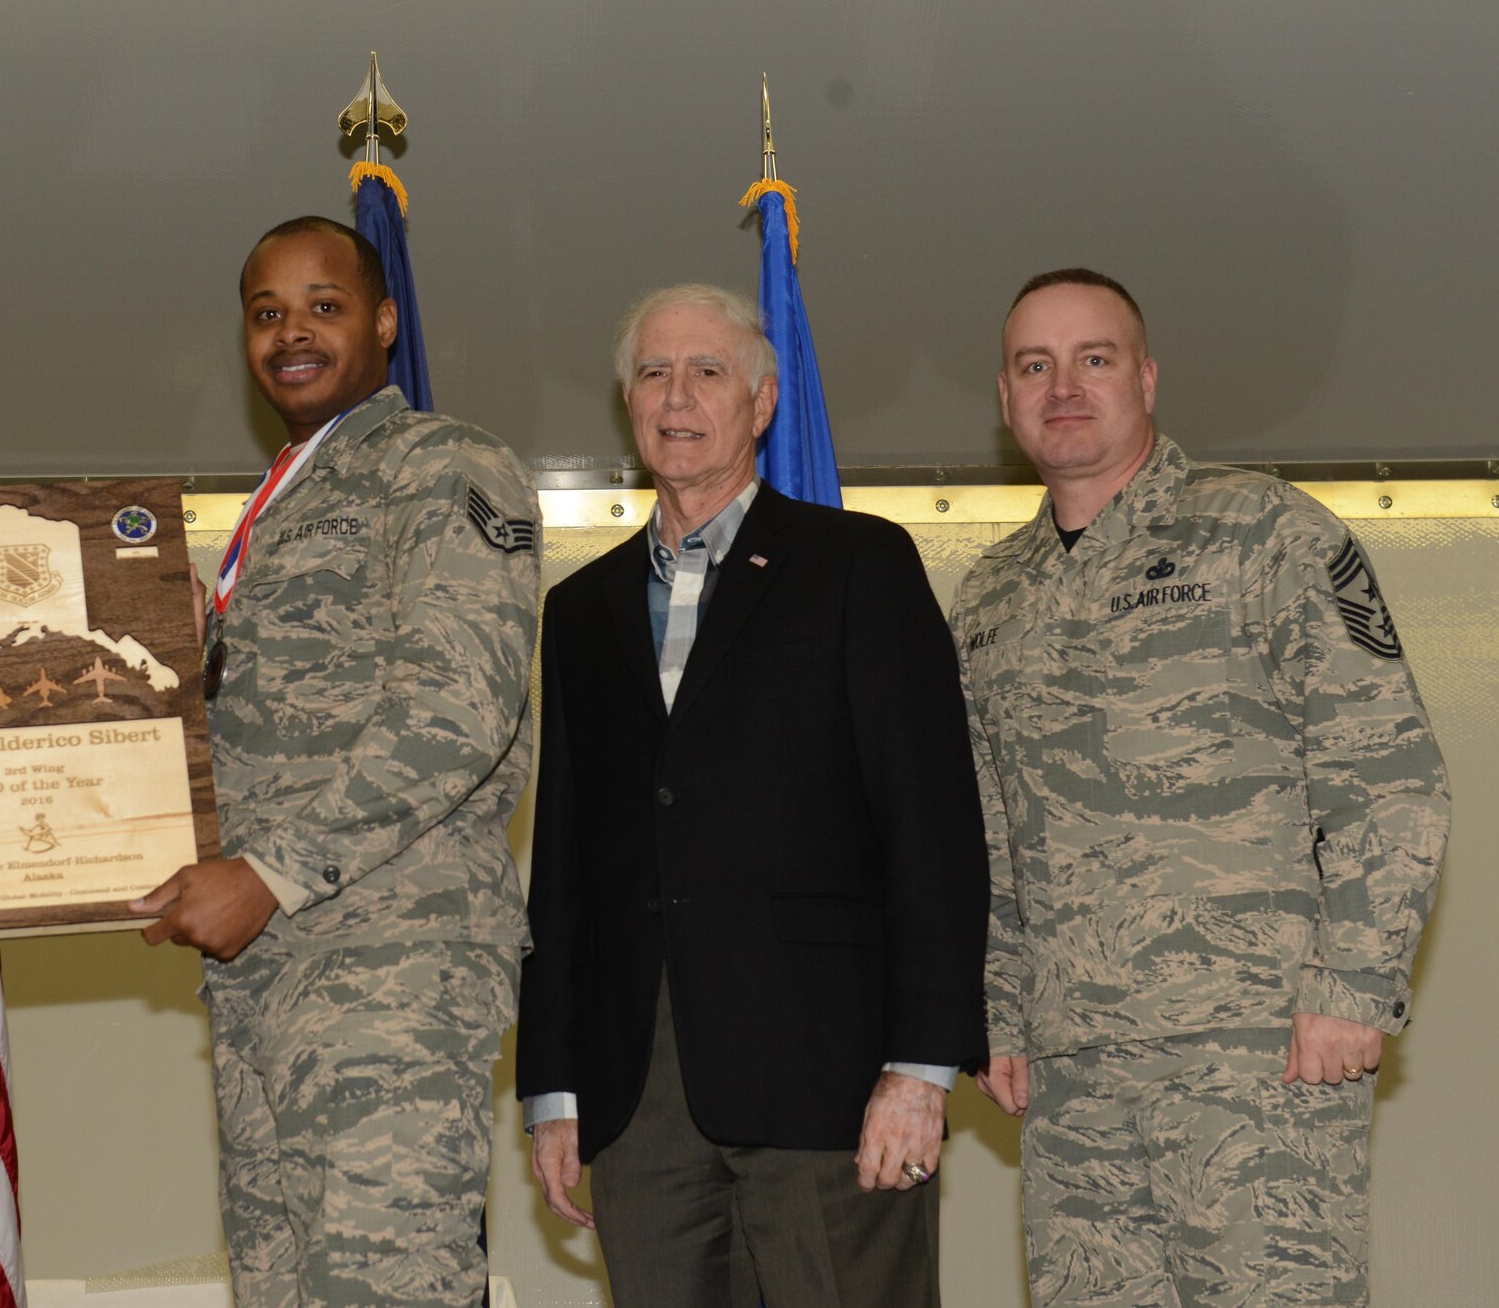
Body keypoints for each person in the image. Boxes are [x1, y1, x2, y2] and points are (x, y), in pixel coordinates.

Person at [956, 268, 1450, 1307]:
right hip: (1074, 1067)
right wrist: (1000, 1014)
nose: (1062, 387)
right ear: (1002, 398)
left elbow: (1386, 771)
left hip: (1255, 1048)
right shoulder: (990, 595)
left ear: (1143, 376)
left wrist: (1352, 988)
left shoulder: (1261, 532)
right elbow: (988, 830)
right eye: (1032, 365)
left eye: (1092, 359)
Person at [514, 283, 990, 1308]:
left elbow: (933, 829)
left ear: (763, 402)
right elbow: (561, 862)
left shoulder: (856, 563)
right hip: (635, 1094)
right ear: (627, 403)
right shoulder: (578, 608)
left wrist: (920, 1067)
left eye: (706, 371)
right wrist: (552, 1086)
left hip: (828, 1075)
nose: (675, 396)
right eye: (652, 372)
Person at [130, 216, 541, 1308]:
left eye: (324, 305)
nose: (290, 334)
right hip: (261, 979)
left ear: (385, 322)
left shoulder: (443, 466)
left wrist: (265, 874)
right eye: (266, 314)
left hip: (387, 965)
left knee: (382, 1286)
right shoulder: (275, 509)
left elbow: (459, 707)